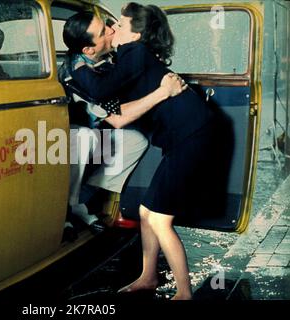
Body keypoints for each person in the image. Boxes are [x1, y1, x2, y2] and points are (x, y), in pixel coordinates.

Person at [69, 3, 227, 300]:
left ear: (135, 34)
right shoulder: (128, 59)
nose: (114, 28)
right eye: (109, 27)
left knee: (159, 219)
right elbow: (120, 108)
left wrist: (76, 67)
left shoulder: (135, 53)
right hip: (185, 137)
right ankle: (148, 276)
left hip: (191, 137)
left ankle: (184, 293)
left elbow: (103, 92)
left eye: (120, 26)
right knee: (145, 211)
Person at [60, 11, 187, 240]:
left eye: (108, 24)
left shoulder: (104, 57)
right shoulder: (78, 74)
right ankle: (67, 209)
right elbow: (119, 118)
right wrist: (163, 92)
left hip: (98, 127)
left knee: (136, 140)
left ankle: (84, 197)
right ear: (88, 49)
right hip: (67, 133)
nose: (111, 29)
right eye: (103, 31)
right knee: (84, 138)